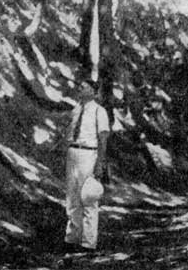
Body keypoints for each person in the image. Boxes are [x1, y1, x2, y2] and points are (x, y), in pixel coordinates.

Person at [64, 76, 109, 252]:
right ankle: (72, 238)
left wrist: (100, 162)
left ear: (93, 91)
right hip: (73, 152)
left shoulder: (100, 111)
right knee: (72, 196)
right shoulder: (76, 109)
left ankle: (88, 243)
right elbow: (70, 131)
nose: (80, 89)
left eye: (84, 87)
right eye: (80, 86)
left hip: (89, 154)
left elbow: (103, 138)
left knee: (88, 196)